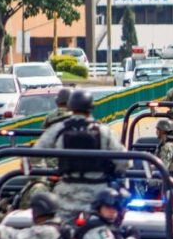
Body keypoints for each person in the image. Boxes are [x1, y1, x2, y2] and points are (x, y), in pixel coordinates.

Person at [35, 89, 125, 220]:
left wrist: (41, 170)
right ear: (91, 108)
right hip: (98, 193)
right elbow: (124, 161)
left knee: (60, 228)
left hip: (67, 193)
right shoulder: (103, 131)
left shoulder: (59, 129)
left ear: (70, 106)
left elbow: (35, 154)